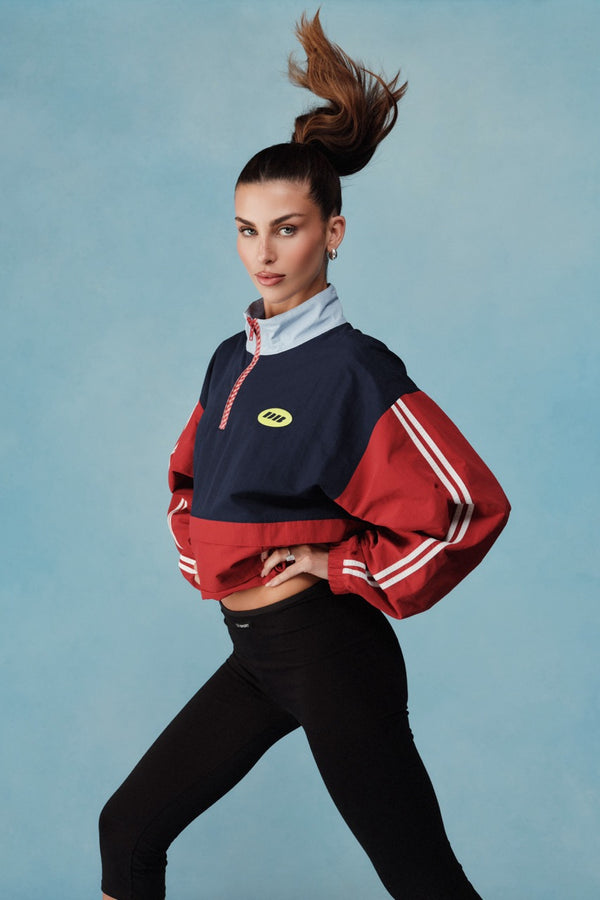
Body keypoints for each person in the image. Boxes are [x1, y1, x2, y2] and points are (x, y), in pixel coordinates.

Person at [98, 10, 510, 899]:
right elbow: (189, 477)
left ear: (334, 232)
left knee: (421, 878)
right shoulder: (230, 356)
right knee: (127, 829)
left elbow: (468, 507)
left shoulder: (356, 369)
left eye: (287, 228)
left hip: (329, 654)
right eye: (247, 230)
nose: (264, 252)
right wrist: (204, 553)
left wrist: (343, 564)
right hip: (253, 653)